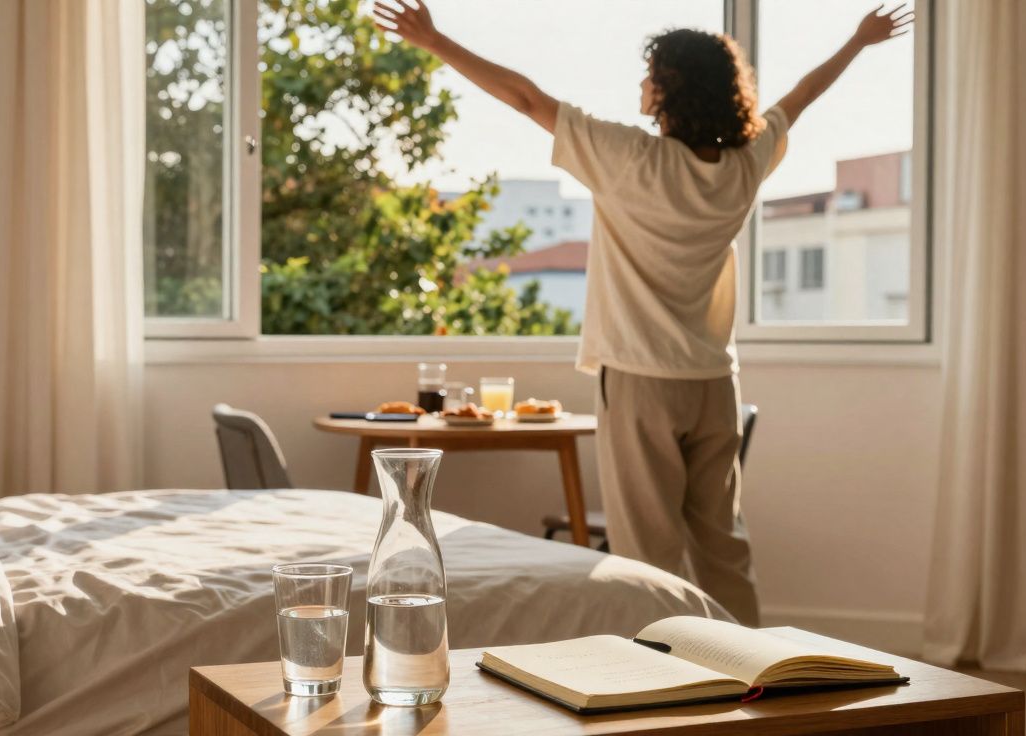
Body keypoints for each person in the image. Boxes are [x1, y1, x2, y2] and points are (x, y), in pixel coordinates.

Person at [374, 1, 913, 625]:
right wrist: (858, 40)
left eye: (649, 73)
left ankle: (660, 679)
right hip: (713, 384)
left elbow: (524, 98)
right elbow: (801, 96)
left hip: (640, 382)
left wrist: (435, 40)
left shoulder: (628, 156)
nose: (640, 83)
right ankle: (754, 676)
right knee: (722, 544)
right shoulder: (743, 164)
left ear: (668, 89)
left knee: (647, 552)